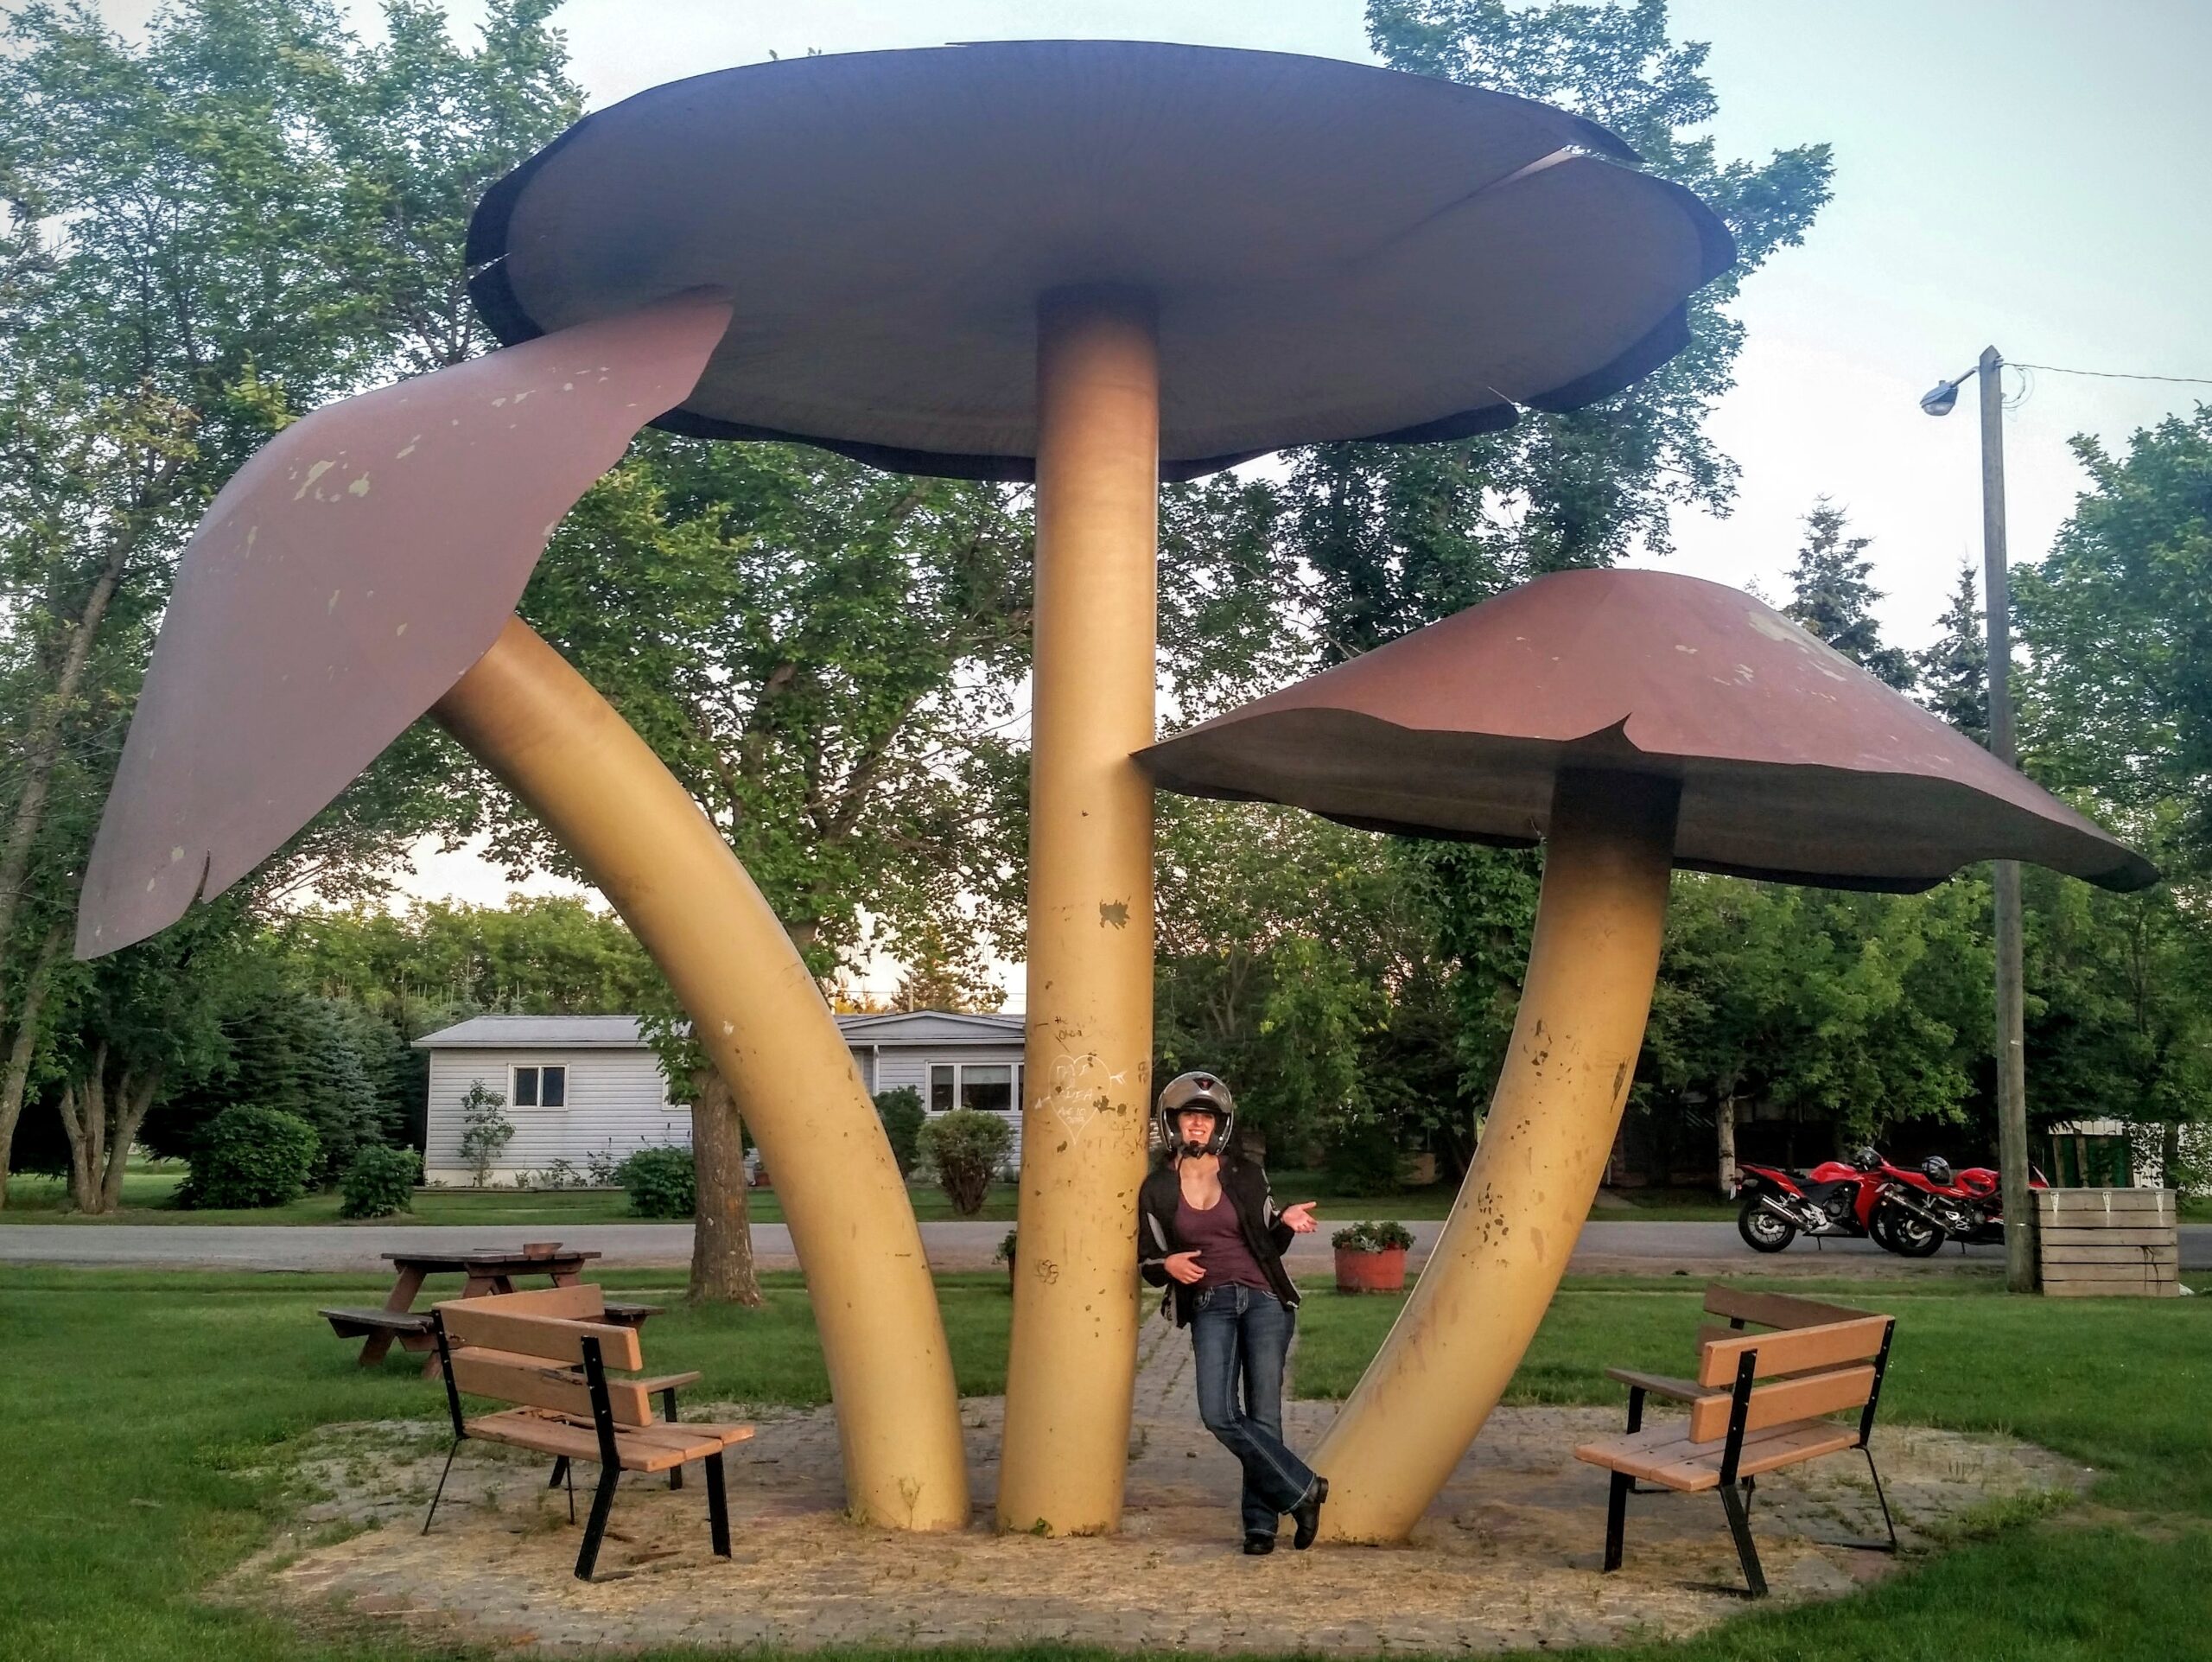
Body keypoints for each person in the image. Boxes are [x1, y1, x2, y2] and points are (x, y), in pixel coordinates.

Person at [1136, 1070, 1325, 1555]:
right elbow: (1148, 1260)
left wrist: (1285, 1221)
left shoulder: (1245, 1173)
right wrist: (1167, 1264)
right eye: (1189, 1117)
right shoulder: (1157, 1188)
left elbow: (1269, 1242)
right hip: (1209, 1305)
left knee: (1264, 1415)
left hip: (1264, 1301)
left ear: (1219, 1125)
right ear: (1173, 1123)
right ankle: (1303, 1489)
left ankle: (1260, 1526)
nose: (1198, 1125)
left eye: (1206, 1118)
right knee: (1218, 1413)